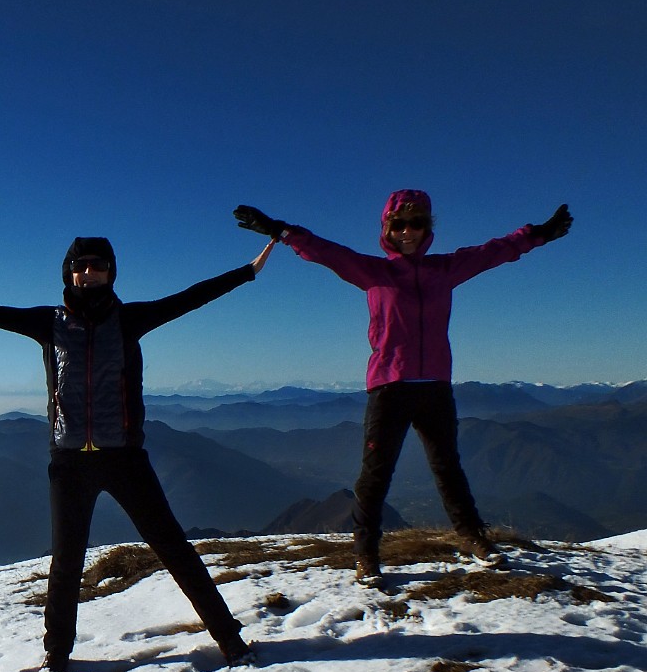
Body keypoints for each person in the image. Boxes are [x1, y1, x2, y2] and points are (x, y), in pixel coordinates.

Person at [0, 236, 275, 672]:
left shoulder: (131, 319)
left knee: (174, 549)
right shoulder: (48, 322)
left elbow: (190, 297)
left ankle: (230, 640)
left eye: (100, 266)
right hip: (70, 462)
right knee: (67, 562)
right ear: (68, 272)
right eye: (82, 266)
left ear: (112, 273)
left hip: (125, 458)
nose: (90, 273)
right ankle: (56, 657)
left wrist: (247, 272)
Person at [232, 193, 572, 584]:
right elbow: (326, 251)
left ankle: (473, 539)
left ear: (428, 228)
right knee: (375, 475)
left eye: (417, 224)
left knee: (448, 468)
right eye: (399, 225)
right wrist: (280, 230)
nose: (408, 232)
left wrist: (538, 234)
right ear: (387, 231)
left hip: (435, 387)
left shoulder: (445, 269)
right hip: (389, 387)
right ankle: (366, 556)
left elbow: (493, 251)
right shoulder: (373, 272)